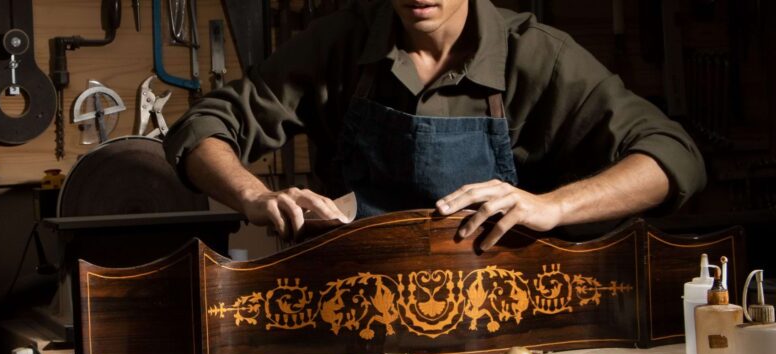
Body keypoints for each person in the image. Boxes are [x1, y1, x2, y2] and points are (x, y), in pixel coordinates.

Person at [163, 0, 705, 250]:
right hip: (352, 308)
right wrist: (254, 196)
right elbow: (202, 127)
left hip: (502, 319)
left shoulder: (537, 56)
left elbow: (673, 155)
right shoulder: (341, 42)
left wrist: (552, 206)